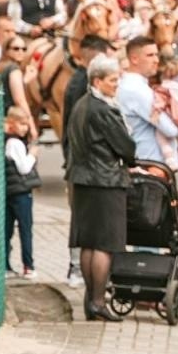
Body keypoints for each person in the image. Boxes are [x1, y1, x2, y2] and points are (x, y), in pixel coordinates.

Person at [64, 55, 136, 323]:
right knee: (104, 244)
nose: (117, 84)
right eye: (113, 80)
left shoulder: (81, 105)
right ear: (98, 81)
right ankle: (97, 301)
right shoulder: (104, 109)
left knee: (88, 243)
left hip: (82, 179)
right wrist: (129, 160)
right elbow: (126, 146)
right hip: (105, 181)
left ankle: (90, 300)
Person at [61, 34, 115, 288]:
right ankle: (80, 274)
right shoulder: (83, 90)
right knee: (94, 233)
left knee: (85, 228)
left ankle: (79, 272)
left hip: (80, 166)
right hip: (92, 169)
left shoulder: (79, 86)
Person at [119, 36, 178, 165]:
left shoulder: (135, 85)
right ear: (134, 59)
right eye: (150, 55)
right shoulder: (136, 90)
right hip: (150, 163)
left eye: (156, 55)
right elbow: (170, 129)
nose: (156, 60)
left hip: (147, 160)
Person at [4, 105, 41, 278]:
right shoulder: (16, 143)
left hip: (9, 191)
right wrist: (33, 154)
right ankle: (28, 265)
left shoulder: (6, 141)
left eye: (26, 124)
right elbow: (24, 168)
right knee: (25, 229)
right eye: (22, 124)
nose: (25, 128)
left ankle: (6, 265)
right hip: (21, 193)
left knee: (7, 229)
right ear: (11, 124)